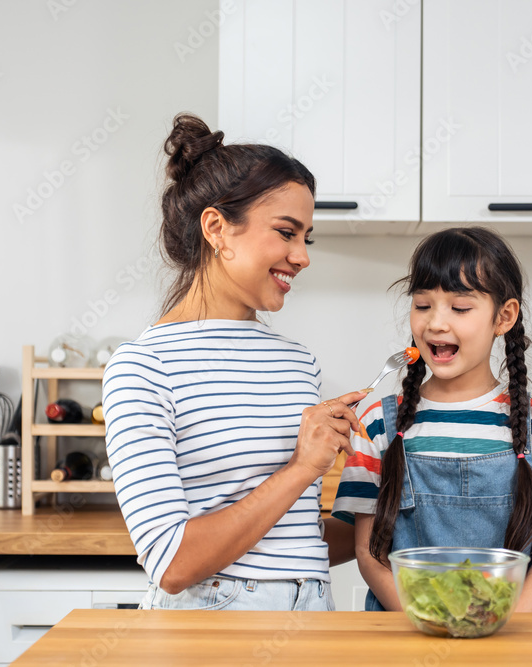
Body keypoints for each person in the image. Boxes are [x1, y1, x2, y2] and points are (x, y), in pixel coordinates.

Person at [102, 113, 367, 611]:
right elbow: (173, 563)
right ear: (217, 228)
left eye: (305, 238)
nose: (302, 256)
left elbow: (293, 541)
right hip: (211, 619)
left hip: (311, 612)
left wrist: (387, 510)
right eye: (287, 232)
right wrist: (301, 468)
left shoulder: (297, 362)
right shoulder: (142, 368)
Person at [332, 227, 532, 613]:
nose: (436, 324)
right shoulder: (377, 423)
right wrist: (426, 620)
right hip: (411, 638)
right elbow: (368, 552)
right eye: (422, 305)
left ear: (503, 316)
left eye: (459, 308)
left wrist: (504, 628)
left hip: (514, 643)